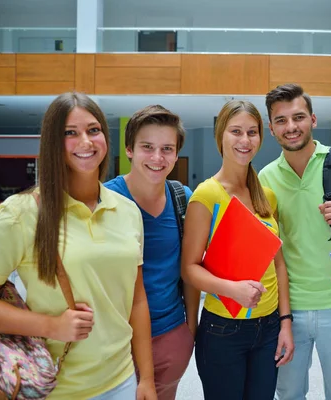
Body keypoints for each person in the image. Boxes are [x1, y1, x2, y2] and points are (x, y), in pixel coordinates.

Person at [0, 92, 156, 399]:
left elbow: (137, 300)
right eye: (70, 133)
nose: (85, 141)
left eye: (93, 130)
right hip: (59, 387)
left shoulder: (127, 211)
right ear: (53, 143)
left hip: (121, 380)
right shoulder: (22, 213)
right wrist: (52, 326)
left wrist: (145, 377)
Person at [259, 83, 331, 400]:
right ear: (271, 128)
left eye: (298, 117)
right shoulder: (264, 178)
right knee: (289, 393)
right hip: (288, 309)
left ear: (313, 119)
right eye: (281, 120)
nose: (291, 127)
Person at [181, 100, 294, 400]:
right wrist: (232, 289)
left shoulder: (266, 195)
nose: (245, 140)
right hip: (223, 330)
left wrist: (285, 322)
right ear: (221, 136)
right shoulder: (206, 195)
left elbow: (278, 264)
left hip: (269, 327)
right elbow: (189, 268)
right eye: (236, 132)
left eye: (252, 132)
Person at [105, 105, 197, 399]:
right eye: (148, 147)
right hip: (116, 340)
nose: (158, 158)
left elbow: (192, 269)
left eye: (167, 149)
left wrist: (189, 333)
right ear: (130, 149)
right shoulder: (104, 200)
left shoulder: (183, 198)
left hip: (171, 333)